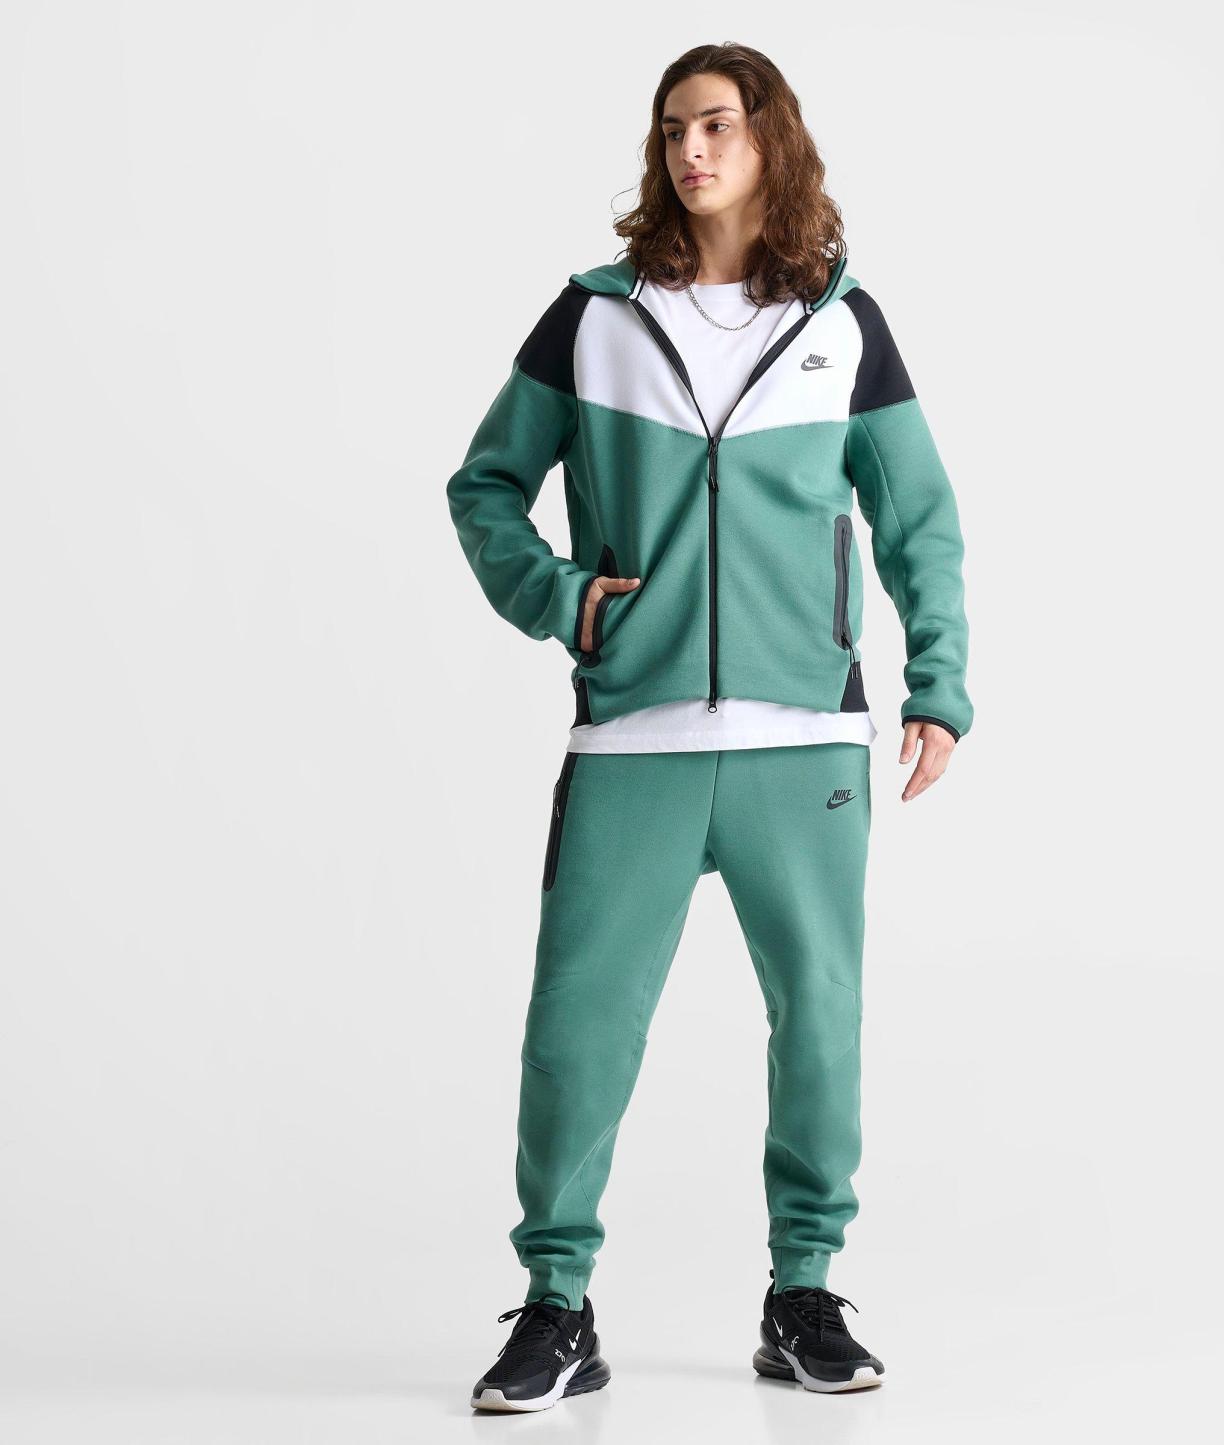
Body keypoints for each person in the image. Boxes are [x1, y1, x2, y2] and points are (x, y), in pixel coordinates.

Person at [446, 41, 972, 1412]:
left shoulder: (844, 324)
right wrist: (564, 600)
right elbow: (484, 486)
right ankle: (555, 1304)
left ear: (768, 140)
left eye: (719, 126)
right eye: (674, 127)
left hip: (806, 741)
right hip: (632, 737)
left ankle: (804, 1293)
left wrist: (939, 685)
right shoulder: (593, 319)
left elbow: (918, 518)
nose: (691, 150)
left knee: (821, 1021)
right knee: (576, 1032)